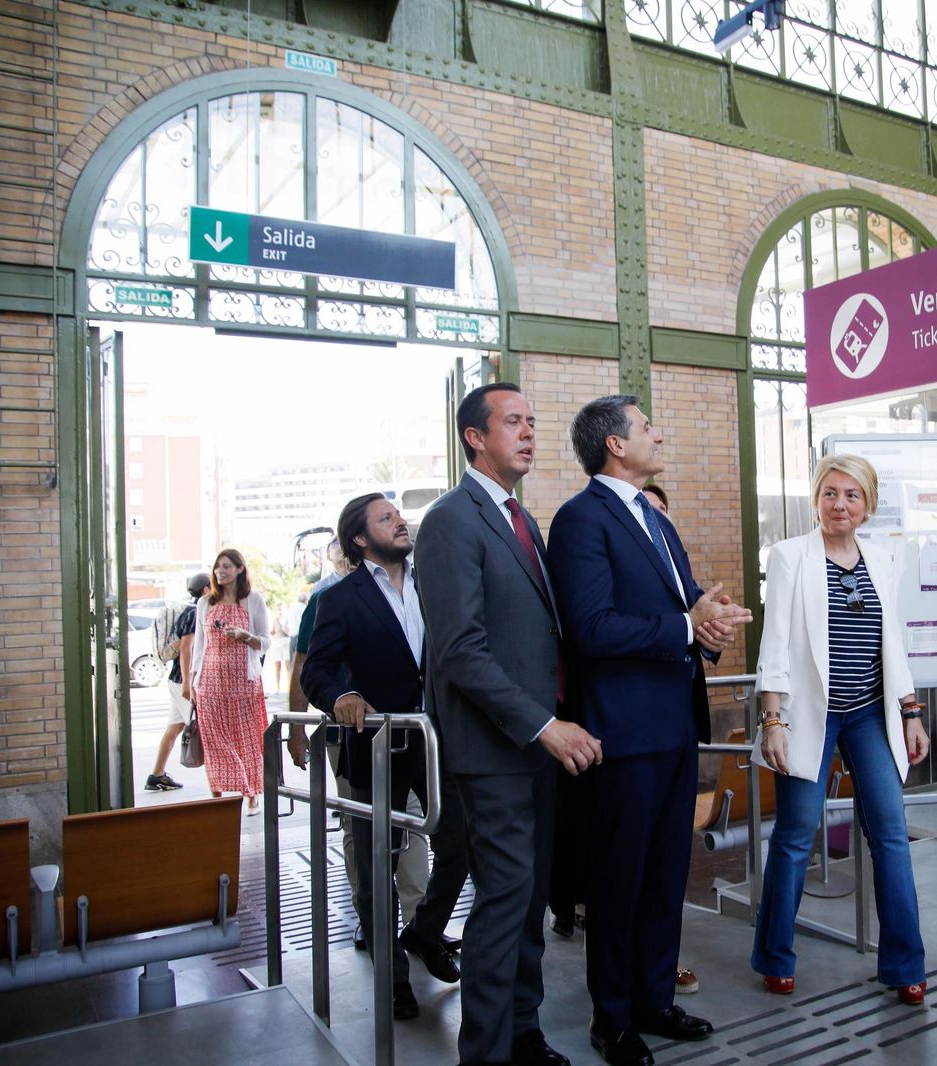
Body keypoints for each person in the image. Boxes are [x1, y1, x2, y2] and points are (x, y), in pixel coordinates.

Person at [546, 395, 751, 1066]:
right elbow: (592, 628)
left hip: (673, 723)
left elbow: (684, 605)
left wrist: (707, 618)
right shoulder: (581, 520)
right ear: (614, 444)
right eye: (646, 427)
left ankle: (655, 1002)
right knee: (618, 880)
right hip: (621, 731)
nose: (658, 435)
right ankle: (613, 1020)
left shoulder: (656, 520)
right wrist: (684, 626)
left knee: (668, 875)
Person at [417, 382, 603, 1066]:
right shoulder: (452, 520)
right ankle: (487, 1052)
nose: (529, 432)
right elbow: (460, 651)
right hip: (493, 749)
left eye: (533, 421)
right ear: (475, 436)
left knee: (527, 902)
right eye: (513, 422)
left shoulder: (522, 521)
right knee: (503, 901)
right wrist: (542, 727)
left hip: (538, 747)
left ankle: (523, 1031)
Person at [749, 454, 931, 1005]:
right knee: (797, 835)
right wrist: (774, 720)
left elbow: (891, 641)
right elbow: (774, 643)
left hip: (871, 713)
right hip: (810, 716)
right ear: (815, 499)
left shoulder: (882, 558)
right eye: (830, 493)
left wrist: (910, 710)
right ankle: (775, 954)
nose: (840, 504)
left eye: (852, 495)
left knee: (892, 834)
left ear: (868, 504)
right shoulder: (790, 556)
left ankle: (904, 964)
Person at [302, 494, 465, 1021]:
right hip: (377, 745)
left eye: (399, 515)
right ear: (359, 537)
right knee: (378, 867)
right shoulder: (340, 599)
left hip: (436, 740)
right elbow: (317, 672)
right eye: (386, 518)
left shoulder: (432, 583)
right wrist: (341, 697)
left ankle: (424, 932)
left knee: (460, 842)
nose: (400, 522)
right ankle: (392, 978)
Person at [189, 548, 271, 815]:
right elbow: (198, 647)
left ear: (239, 569)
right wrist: (192, 681)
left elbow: (265, 641)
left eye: (226, 566)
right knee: (214, 740)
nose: (219, 572)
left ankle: (251, 794)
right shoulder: (205, 604)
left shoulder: (253, 600)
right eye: (217, 567)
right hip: (210, 683)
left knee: (247, 739)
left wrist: (246, 636)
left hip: (243, 684)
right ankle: (218, 794)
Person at [145, 572, 209, 792]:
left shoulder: (192, 611)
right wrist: (187, 684)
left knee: (173, 728)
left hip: (178, 680)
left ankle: (156, 775)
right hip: (184, 682)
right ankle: (217, 784)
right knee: (205, 729)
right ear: (207, 590)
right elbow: (186, 648)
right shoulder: (194, 613)